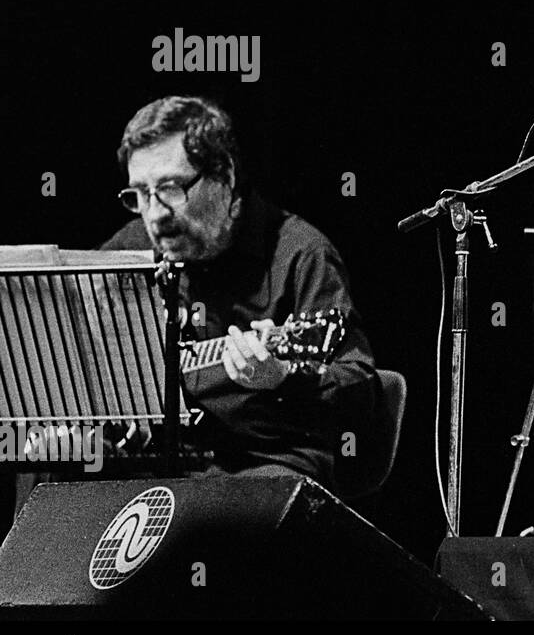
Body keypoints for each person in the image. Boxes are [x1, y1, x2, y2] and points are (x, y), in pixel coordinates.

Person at [102, 95, 378, 487]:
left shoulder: (300, 254)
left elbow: (362, 394)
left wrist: (283, 376)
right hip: (155, 459)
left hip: (262, 463)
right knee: (48, 468)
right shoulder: (129, 251)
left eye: (171, 188)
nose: (156, 213)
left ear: (225, 176)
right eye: (141, 195)